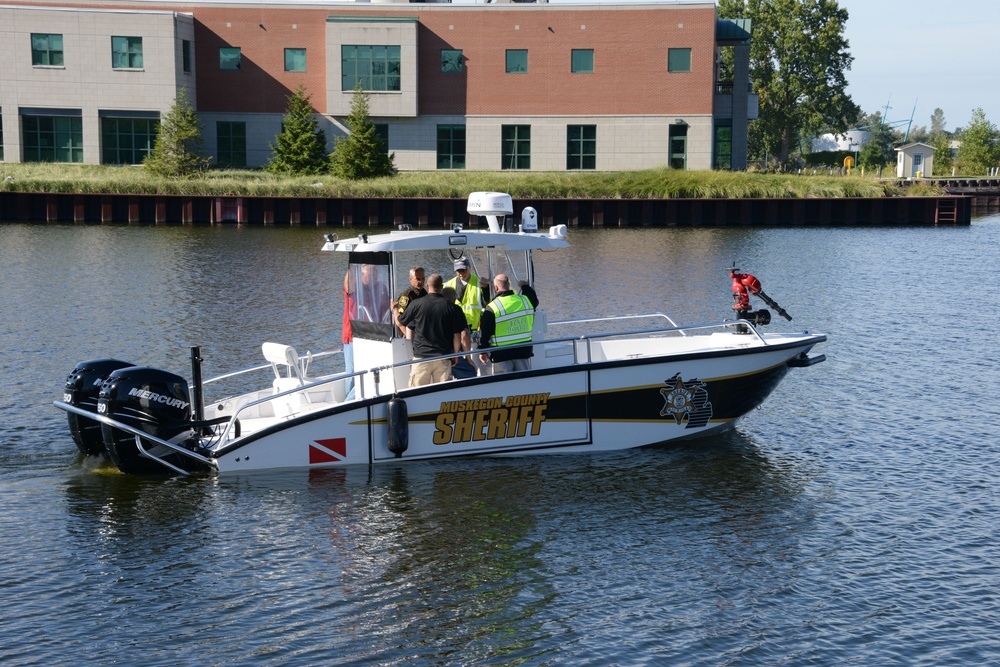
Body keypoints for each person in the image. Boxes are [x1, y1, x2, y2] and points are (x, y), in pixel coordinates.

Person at [397, 273, 466, 386]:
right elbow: (457, 335)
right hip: (443, 357)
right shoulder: (451, 307)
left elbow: (401, 321)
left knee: (416, 393)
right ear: (441, 287)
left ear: (428, 286)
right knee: (443, 394)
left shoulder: (416, 304)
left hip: (421, 357)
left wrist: (394, 310)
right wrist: (455, 354)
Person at [478, 274, 539, 374]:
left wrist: (482, 350)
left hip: (502, 354)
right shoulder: (525, 301)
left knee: (505, 384)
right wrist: (525, 286)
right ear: (509, 285)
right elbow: (534, 299)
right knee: (524, 381)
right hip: (523, 351)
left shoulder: (493, 307)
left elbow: (485, 331)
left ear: (496, 287)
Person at [444, 256, 490, 333]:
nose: (461, 273)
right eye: (458, 271)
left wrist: (486, 289)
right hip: (455, 328)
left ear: (470, 267)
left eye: (463, 270)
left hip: (475, 328)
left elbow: (487, 303)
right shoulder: (448, 284)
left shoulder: (480, 283)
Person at [441, 285, 477, 379]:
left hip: (428, 352)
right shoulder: (455, 309)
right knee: (470, 372)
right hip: (448, 352)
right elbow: (464, 335)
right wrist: (468, 359)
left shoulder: (431, 308)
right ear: (454, 299)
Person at [392, 266, 426, 337]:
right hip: (408, 335)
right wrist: (410, 338)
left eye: (423, 279)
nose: (421, 282)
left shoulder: (424, 293)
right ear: (410, 279)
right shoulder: (406, 296)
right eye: (418, 279)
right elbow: (400, 322)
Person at [342, 271, 356, 399]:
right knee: (351, 373)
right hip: (352, 336)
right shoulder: (354, 286)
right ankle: (349, 402)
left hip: (370, 336)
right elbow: (347, 285)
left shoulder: (377, 288)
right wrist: (352, 265)